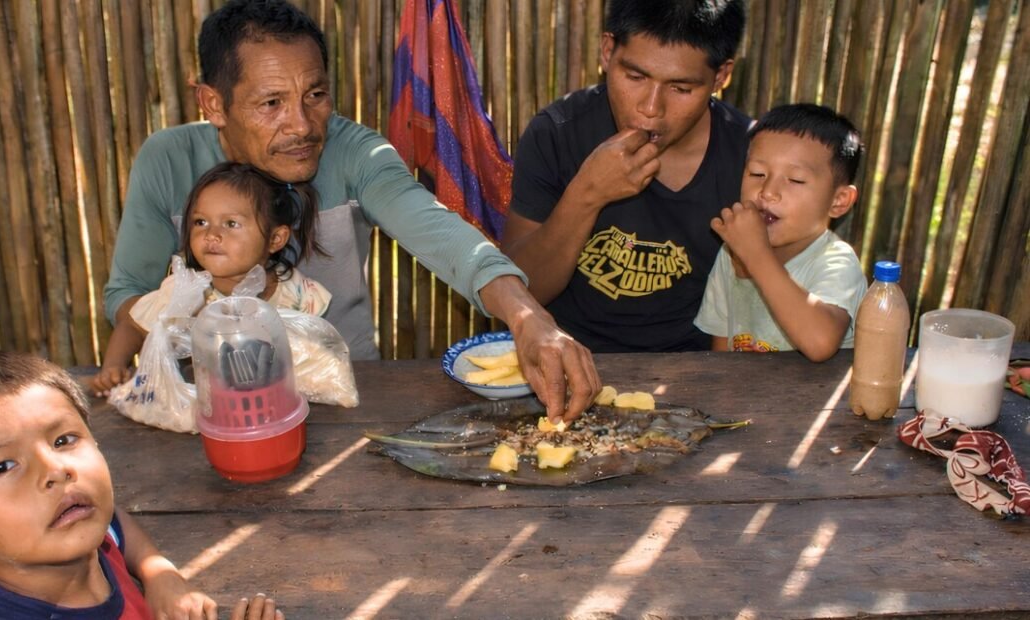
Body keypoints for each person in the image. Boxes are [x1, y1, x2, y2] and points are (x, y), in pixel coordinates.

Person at [103, 0, 597, 421]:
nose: (302, 125)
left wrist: (526, 313)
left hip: (345, 395)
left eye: (315, 95)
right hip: (208, 406)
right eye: (271, 103)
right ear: (213, 103)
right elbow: (127, 295)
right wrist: (215, 333)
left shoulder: (358, 153)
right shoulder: (167, 160)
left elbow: (440, 232)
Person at [0, 350, 283, 620]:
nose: (56, 470)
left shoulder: (77, 531)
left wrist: (160, 573)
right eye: (3, 465)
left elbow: (116, 524)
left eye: (63, 440)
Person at [502, 0, 750, 353]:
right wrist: (587, 194)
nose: (650, 108)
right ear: (607, 52)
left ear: (721, 77)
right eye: (635, 77)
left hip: (694, 369)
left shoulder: (752, 158)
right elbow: (522, 292)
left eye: (680, 89)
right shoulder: (557, 134)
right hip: (567, 357)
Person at [94, 162, 331, 396]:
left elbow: (316, 353)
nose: (212, 235)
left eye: (231, 224)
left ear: (275, 239)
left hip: (277, 412)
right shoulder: (186, 292)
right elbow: (133, 326)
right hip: (203, 414)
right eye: (201, 222)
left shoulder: (297, 293)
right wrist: (113, 367)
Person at [693, 103, 868, 361]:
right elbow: (722, 350)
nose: (768, 192)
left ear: (839, 201)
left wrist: (757, 257)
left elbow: (820, 343)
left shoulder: (836, 262)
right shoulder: (732, 253)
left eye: (795, 179)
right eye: (757, 173)